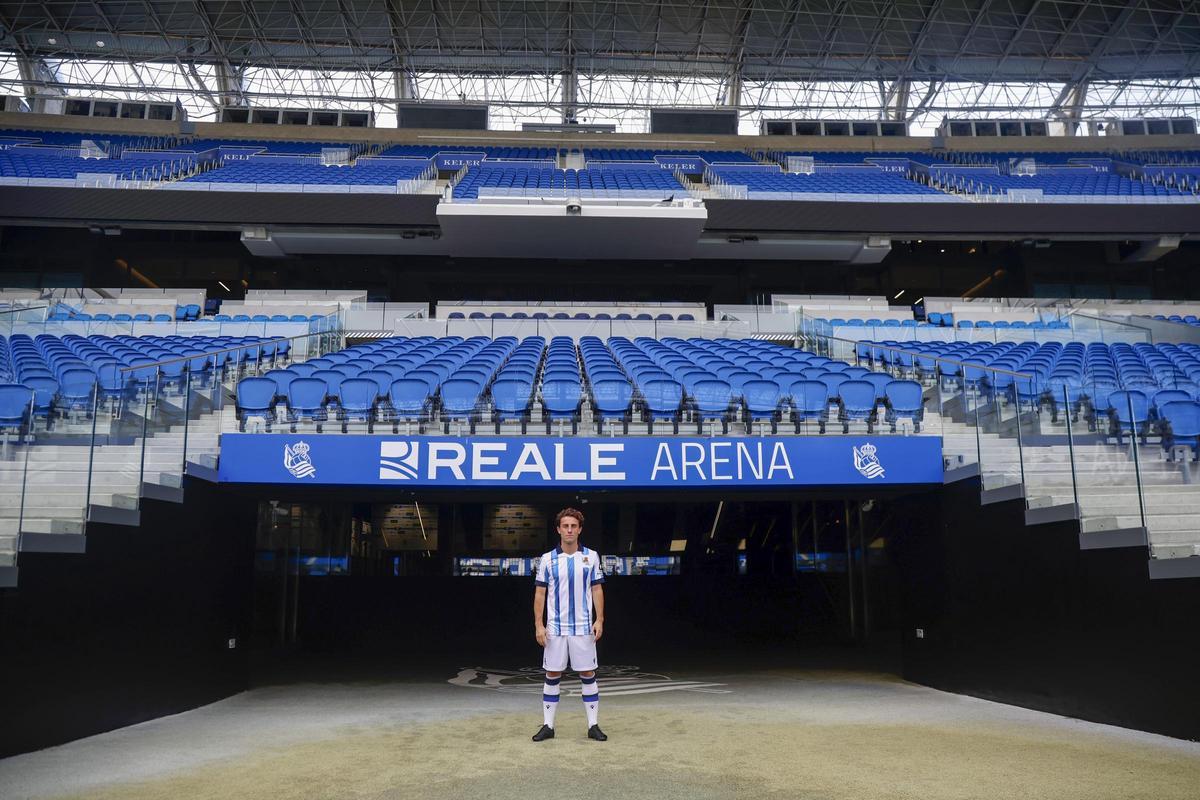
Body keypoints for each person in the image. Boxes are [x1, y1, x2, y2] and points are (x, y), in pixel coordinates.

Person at [531, 507, 607, 742]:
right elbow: (540, 594)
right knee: (552, 673)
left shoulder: (591, 556)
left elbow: (597, 588)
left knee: (588, 673)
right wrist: (539, 625)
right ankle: (548, 726)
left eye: (574, 526)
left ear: (580, 529)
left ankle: (593, 725)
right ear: (558, 529)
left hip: (583, 627)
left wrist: (600, 619)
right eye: (565, 526)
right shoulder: (547, 559)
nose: (570, 530)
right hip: (555, 628)